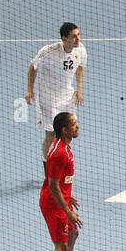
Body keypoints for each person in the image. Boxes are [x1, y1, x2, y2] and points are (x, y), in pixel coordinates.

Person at [37, 112, 84, 251]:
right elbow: (53, 186)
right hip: (53, 205)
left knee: (73, 233)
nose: (77, 126)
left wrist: (67, 195)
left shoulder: (64, 147)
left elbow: (58, 182)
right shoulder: (58, 153)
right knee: (60, 248)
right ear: (64, 130)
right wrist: (67, 210)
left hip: (60, 200)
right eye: (73, 124)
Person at [26, 23, 86, 164]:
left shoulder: (81, 50)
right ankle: (48, 168)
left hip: (67, 96)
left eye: (78, 35)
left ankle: (60, 162)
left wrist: (79, 89)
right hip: (49, 97)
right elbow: (32, 67)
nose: (78, 39)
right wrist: (30, 90)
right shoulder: (49, 52)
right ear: (64, 39)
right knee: (51, 134)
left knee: (69, 131)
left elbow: (80, 68)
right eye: (74, 36)